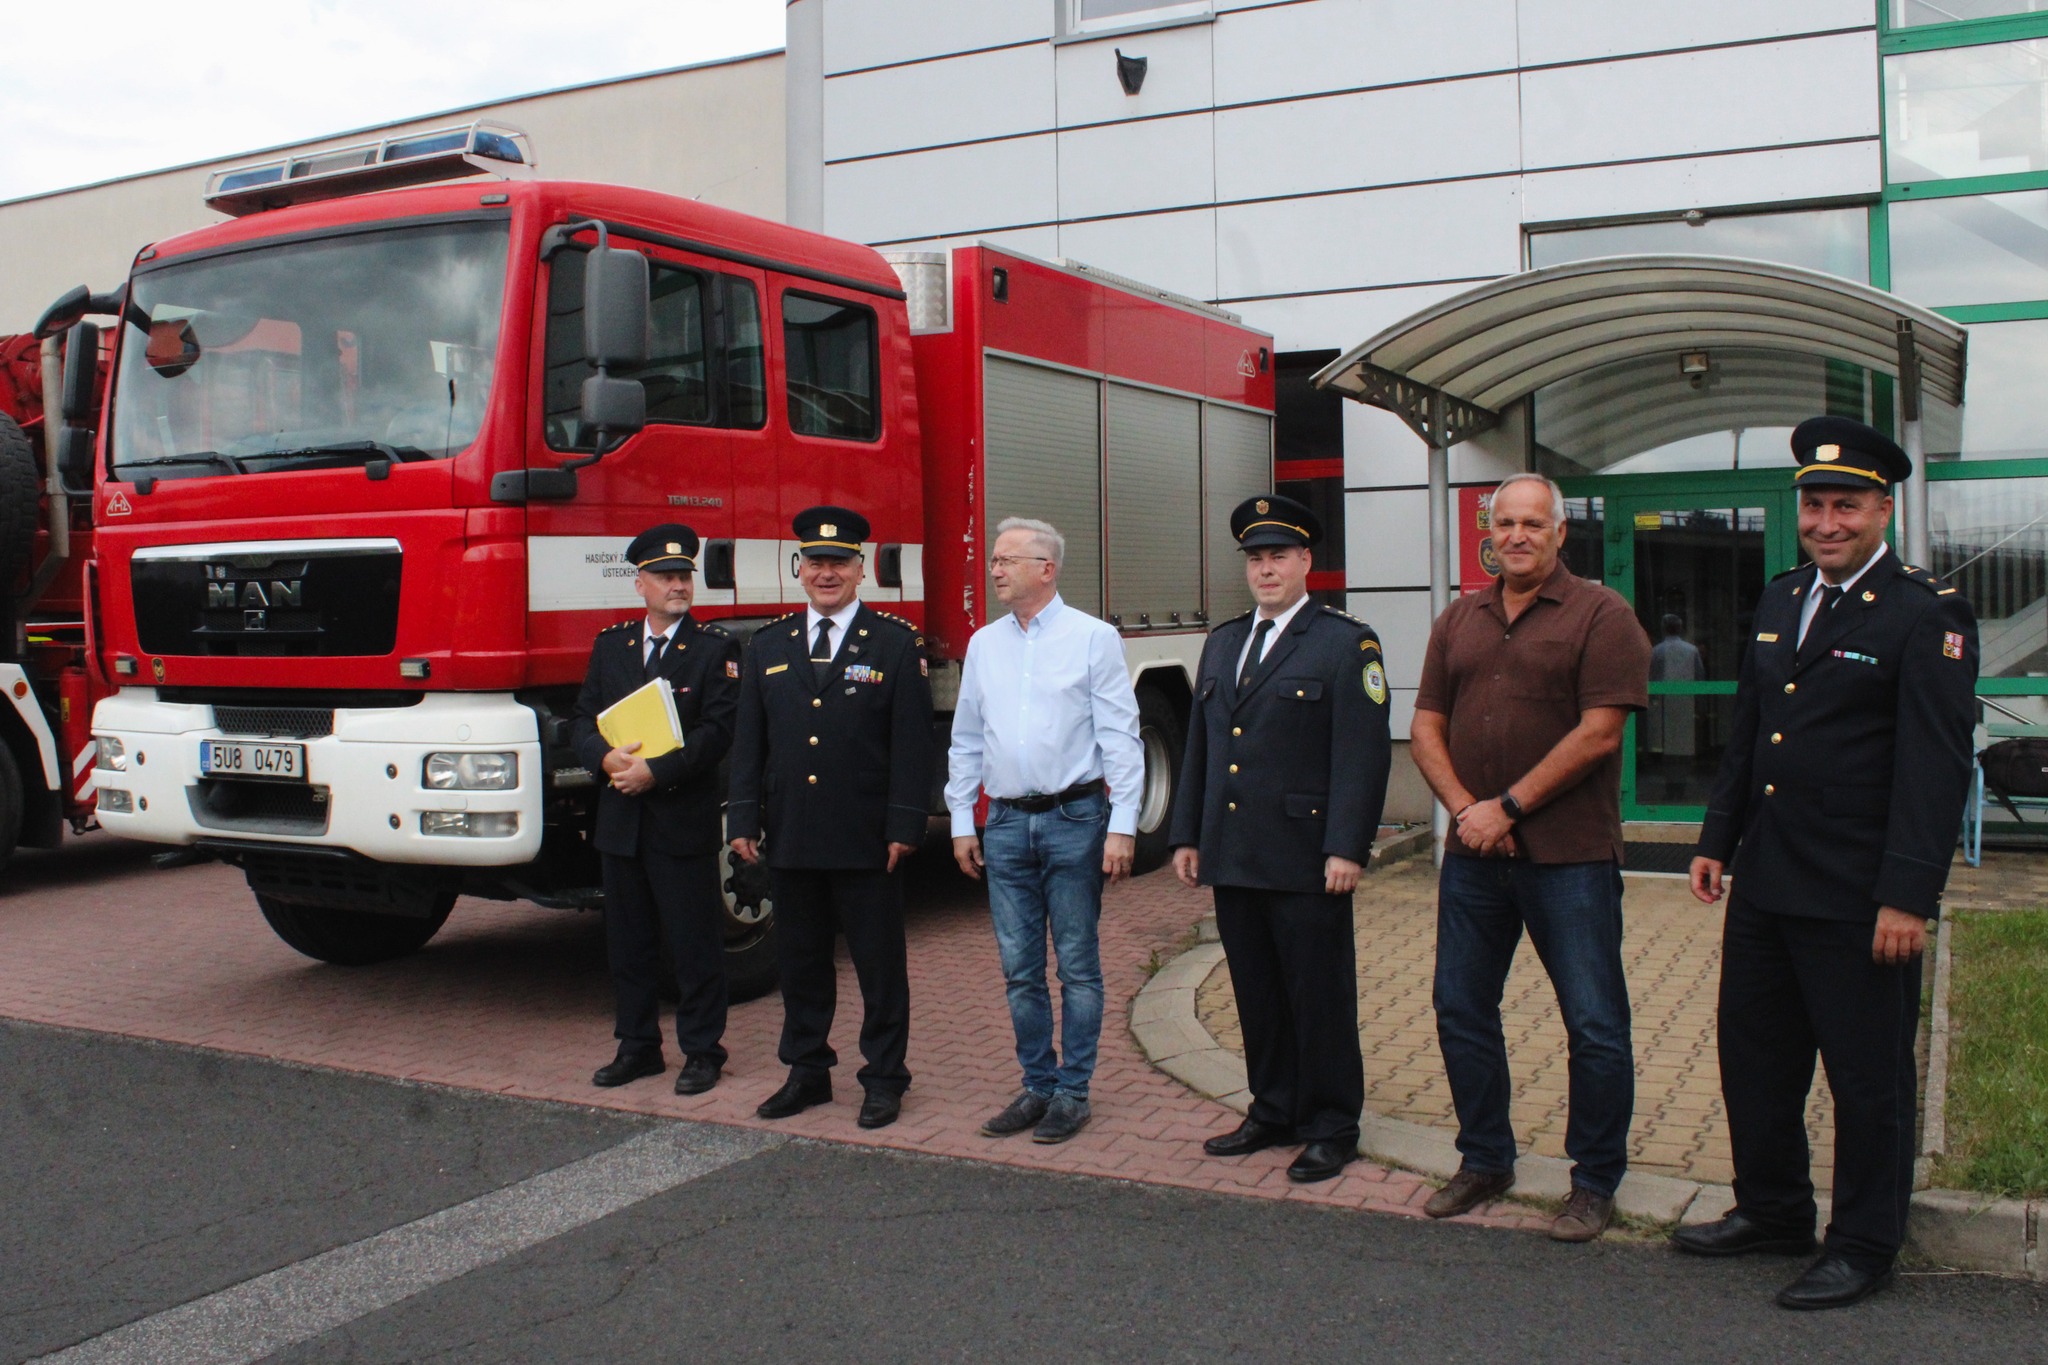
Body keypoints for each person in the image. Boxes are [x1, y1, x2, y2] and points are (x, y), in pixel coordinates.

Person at [1677, 417, 1978, 1310]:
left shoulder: (1928, 613)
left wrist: (1908, 896)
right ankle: (1772, 1209)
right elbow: (1749, 738)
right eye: (1815, 503)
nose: (1828, 520)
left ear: (1884, 508)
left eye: (1847, 504)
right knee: (1757, 1059)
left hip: (1859, 895)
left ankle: (1864, 1241)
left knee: (1866, 1076)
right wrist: (1713, 840)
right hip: (1768, 881)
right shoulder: (1781, 596)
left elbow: (1934, 766)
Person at [1409, 472, 1651, 1242]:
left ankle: (1593, 1181)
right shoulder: (1459, 618)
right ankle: (1485, 1158)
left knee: (1594, 1021)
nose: (1516, 535)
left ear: (1560, 531)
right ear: (1490, 530)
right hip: (1477, 857)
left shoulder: (1602, 616)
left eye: (1532, 523)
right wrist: (1466, 813)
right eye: (1504, 523)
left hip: (1570, 858)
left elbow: (1599, 733)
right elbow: (1424, 727)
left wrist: (1507, 807)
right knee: (1460, 1007)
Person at [1170, 494, 1391, 1184]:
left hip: (1306, 856)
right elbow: (1203, 747)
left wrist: (1348, 846)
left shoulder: (1344, 642)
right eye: (1256, 558)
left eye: (1279, 556)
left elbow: (1363, 754)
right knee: (1257, 991)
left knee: (1318, 994)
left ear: (1306, 562)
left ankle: (1331, 1123)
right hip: (1234, 851)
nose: (1266, 569)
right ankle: (1273, 1106)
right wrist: (1188, 833)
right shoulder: (1225, 641)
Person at [727, 505, 935, 1130]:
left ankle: (884, 1078)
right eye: (815, 562)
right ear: (799, 569)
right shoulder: (768, 645)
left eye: (838, 562)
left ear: (861, 569)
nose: (826, 573)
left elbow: (912, 747)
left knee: (879, 966)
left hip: (866, 839)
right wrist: (742, 819)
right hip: (791, 835)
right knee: (800, 962)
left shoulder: (895, 645)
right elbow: (749, 744)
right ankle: (808, 1071)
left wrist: (904, 826)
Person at [948, 517, 1144, 1145]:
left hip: (1074, 819)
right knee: (1019, 968)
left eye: (1008, 560)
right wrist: (961, 820)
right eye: (995, 560)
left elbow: (1120, 737)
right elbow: (967, 739)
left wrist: (1123, 826)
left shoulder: (1094, 639)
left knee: (1078, 966)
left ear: (1047, 568)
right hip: (1004, 823)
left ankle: (1074, 1092)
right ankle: (1037, 1084)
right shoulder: (984, 644)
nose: (995, 569)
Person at [571, 524, 741, 1094]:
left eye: (684, 576)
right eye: (666, 577)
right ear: (639, 583)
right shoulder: (611, 645)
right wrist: (606, 760)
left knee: (693, 944)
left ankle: (702, 1050)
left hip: (679, 821)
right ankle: (638, 1046)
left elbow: (718, 732)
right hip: (621, 823)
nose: (678, 586)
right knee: (629, 944)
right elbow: (582, 721)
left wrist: (656, 772)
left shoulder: (715, 650)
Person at [1648, 614, 1705, 801]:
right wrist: (1700, 705)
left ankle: (1671, 786)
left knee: (1668, 747)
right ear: (1680, 628)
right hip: (1685, 704)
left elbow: (1652, 678)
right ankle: (1681, 786)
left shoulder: (1656, 651)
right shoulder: (1692, 650)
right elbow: (1699, 678)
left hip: (1665, 704)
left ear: (1664, 628)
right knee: (1683, 745)